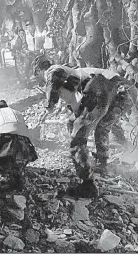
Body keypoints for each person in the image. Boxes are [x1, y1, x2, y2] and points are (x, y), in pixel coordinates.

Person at [33, 57, 138, 197]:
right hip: (125, 91)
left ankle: (88, 185)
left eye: (37, 75)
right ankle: (102, 163)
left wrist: (49, 105)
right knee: (98, 126)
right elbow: (79, 109)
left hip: (108, 87)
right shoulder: (74, 77)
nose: (40, 79)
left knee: (78, 135)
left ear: (40, 70)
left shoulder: (53, 70)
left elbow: (54, 79)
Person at [0, 100, 38, 190]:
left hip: (6, 154)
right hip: (25, 151)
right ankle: (18, 174)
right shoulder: (17, 113)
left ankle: (4, 175)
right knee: (18, 158)